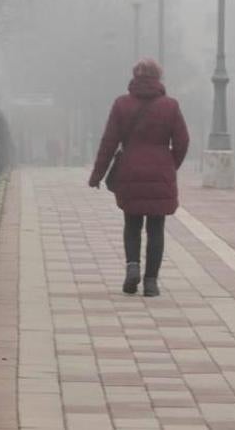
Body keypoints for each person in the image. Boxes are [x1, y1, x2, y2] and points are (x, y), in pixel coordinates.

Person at [87, 58, 189, 297]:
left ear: (135, 77)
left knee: (132, 224)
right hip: (160, 171)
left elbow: (109, 142)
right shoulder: (170, 106)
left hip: (130, 170)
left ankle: (132, 267)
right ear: (158, 78)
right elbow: (183, 141)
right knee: (156, 227)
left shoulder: (122, 105)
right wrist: (170, 164)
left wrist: (97, 174)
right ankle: (151, 282)